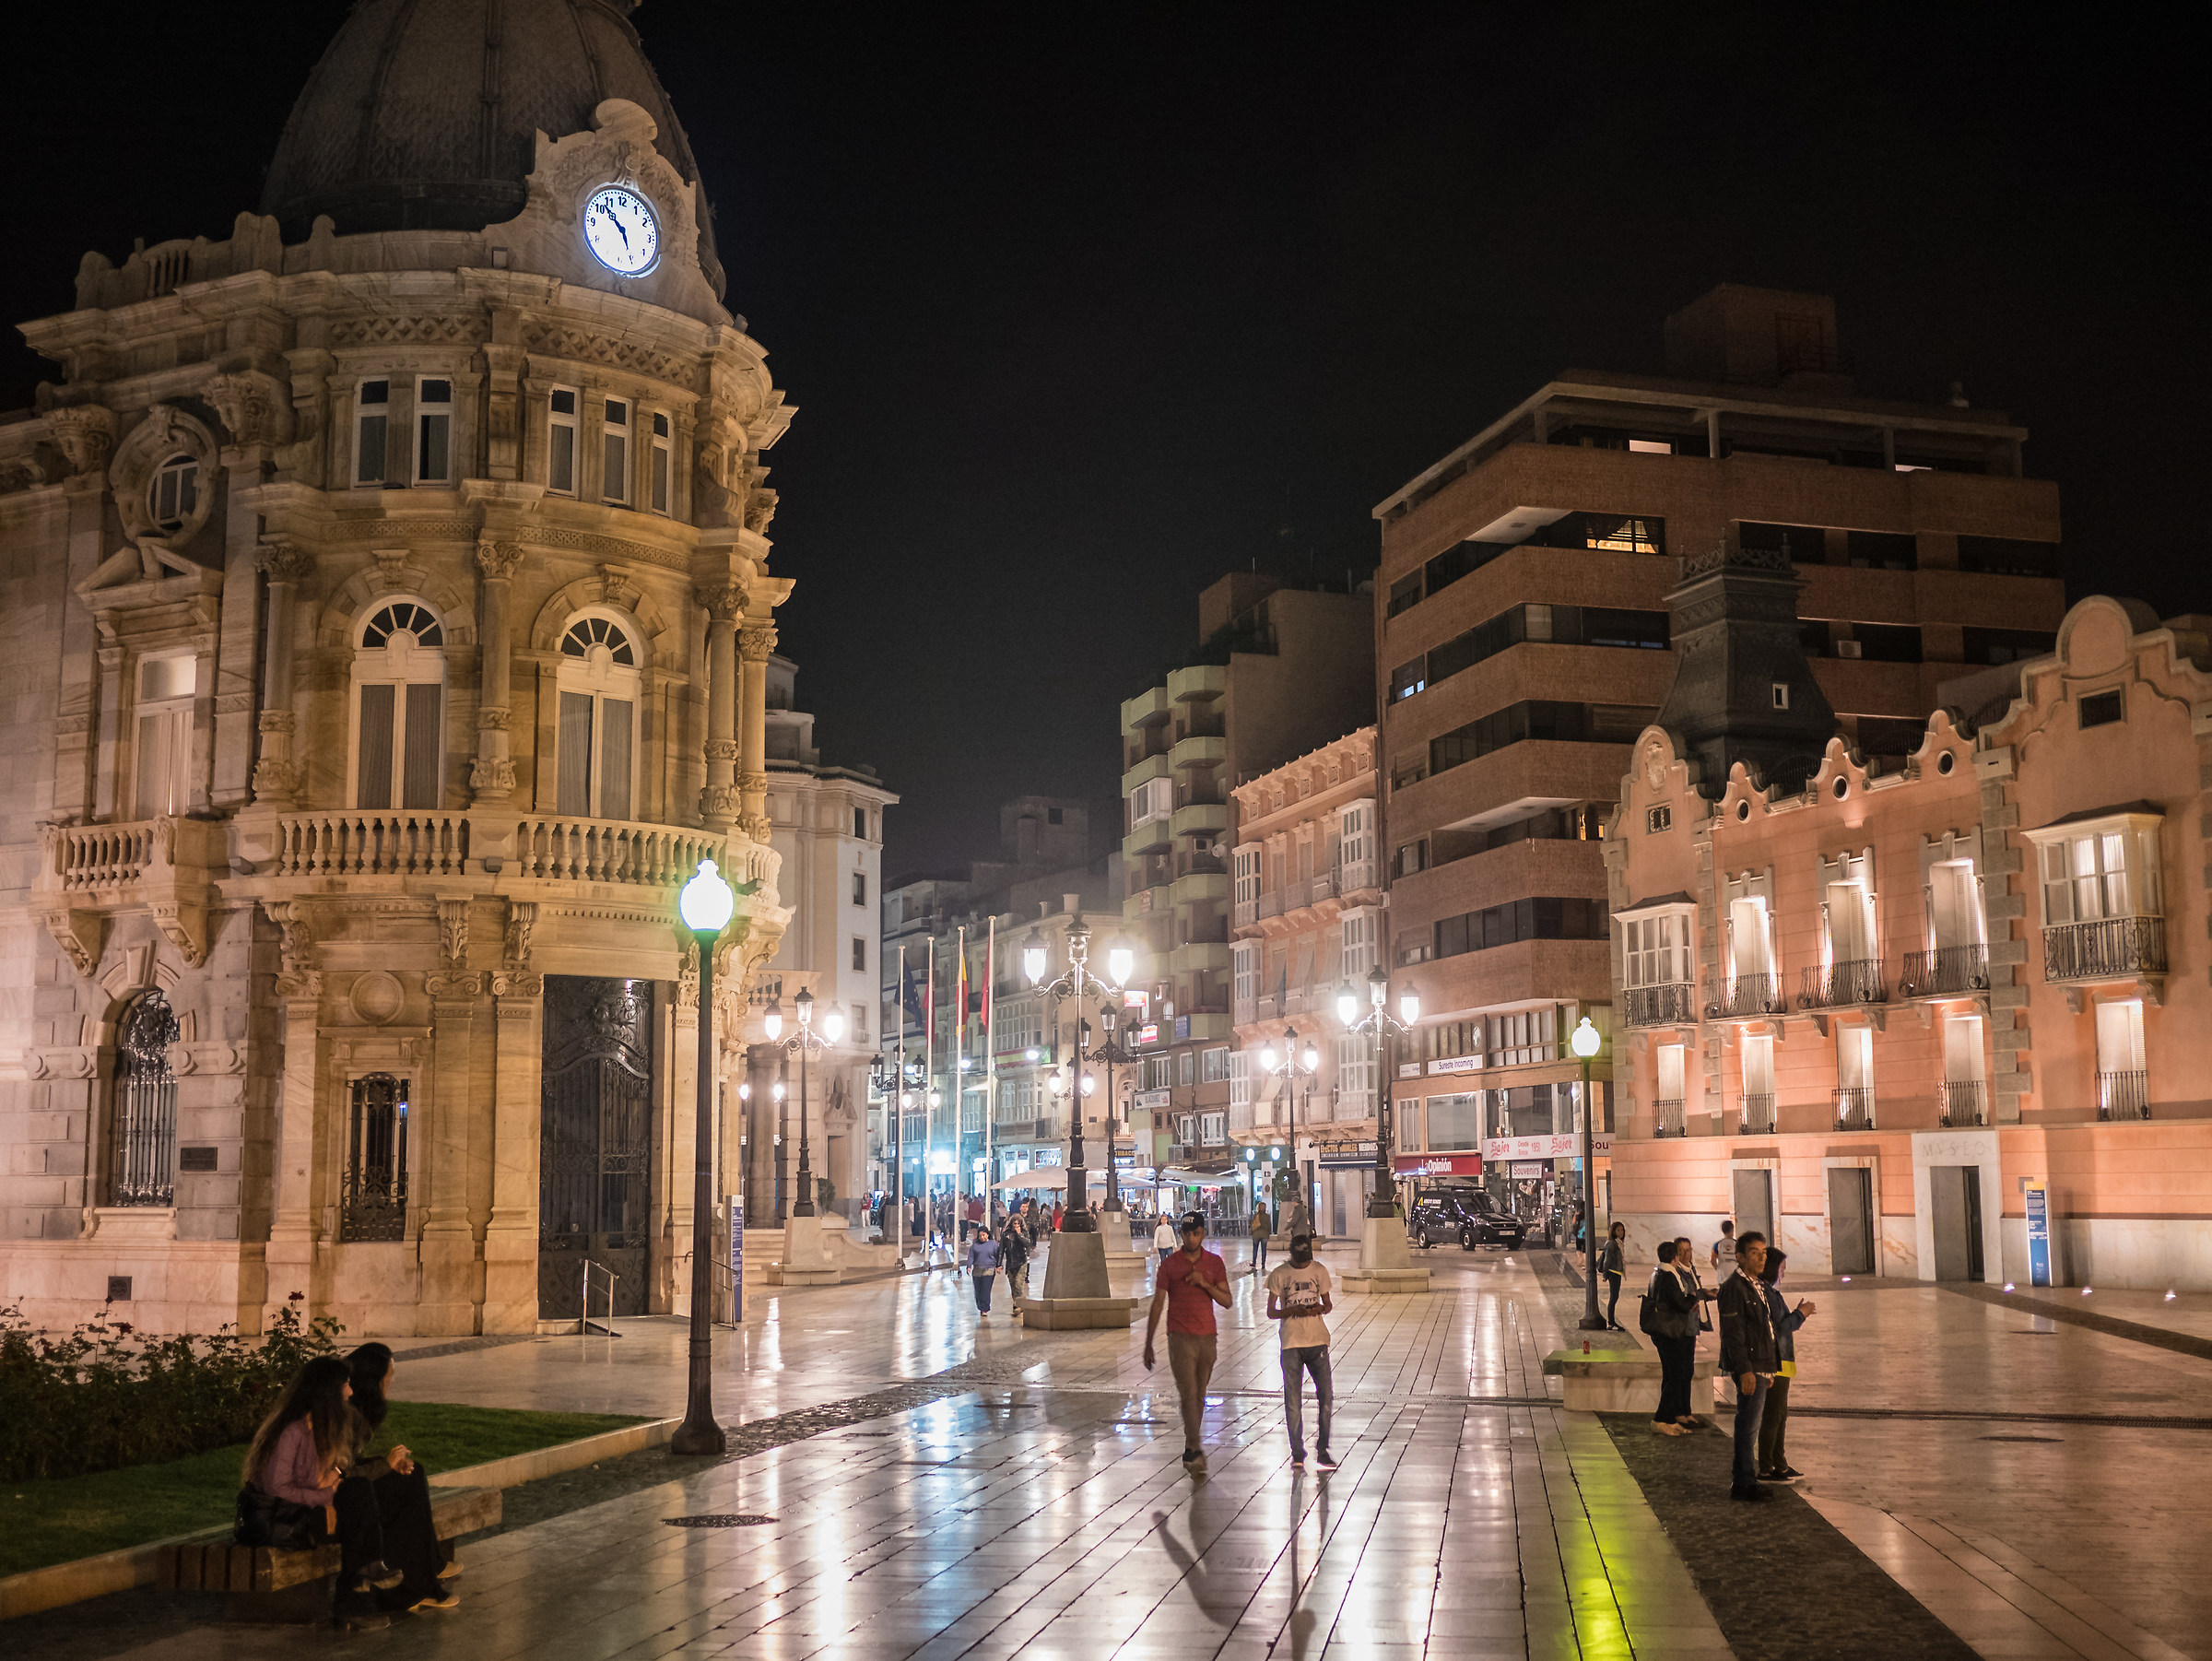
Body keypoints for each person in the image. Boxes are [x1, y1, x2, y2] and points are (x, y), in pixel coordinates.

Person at [238, 1356, 400, 1628]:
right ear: (328, 1392)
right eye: (345, 1385)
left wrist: (334, 1481)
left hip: (308, 1512)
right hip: (283, 1522)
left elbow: (333, 1474)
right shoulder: (292, 1431)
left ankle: (365, 1582)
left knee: (362, 1503)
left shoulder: (321, 1427)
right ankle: (359, 1590)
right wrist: (324, 1496)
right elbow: (276, 1489)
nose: (350, 1392)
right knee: (358, 1511)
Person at [344, 1344, 459, 1610]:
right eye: (388, 1376)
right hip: (333, 1496)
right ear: (372, 1379)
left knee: (411, 1474)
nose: (391, 1382)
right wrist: (385, 1465)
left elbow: (348, 1465)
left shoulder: (357, 1410)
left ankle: (425, 1573)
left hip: (345, 1487)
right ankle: (414, 1585)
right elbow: (338, 1474)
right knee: (403, 1490)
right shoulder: (343, 1414)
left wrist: (389, 1466)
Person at [1142, 1211, 1232, 1472]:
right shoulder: (1170, 1265)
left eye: (1195, 1233)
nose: (1191, 1238)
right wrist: (1148, 1343)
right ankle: (1194, 1447)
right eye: (1186, 1234)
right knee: (1188, 1393)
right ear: (1181, 1235)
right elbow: (1158, 1303)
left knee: (1199, 1395)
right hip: (1180, 1337)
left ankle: (1191, 1444)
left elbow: (1227, 1301)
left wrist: (1205, 1284)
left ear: (1203, 1234)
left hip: (1207, 1337)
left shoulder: (1214, 1263)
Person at [1716, 1230, 1779, 1501]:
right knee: (1748, 1425)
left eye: (1764, 1252)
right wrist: (1746, 1370)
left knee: (1750, 1423)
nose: (1762, 1258)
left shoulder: (1757, 1285)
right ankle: (1743, 1482)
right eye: (1755, 1253)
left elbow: (1765, 1329)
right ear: (1740, 1257)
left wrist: (1769, 1367)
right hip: (1749, 1366)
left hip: (1760, 1364)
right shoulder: (1735, 1287)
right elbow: (1733, 1332)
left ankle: (1745, 1478)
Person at [1265, 1232, 1335, 1469]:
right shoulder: (1279, 1274)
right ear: (1292, 1255)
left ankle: (1323, 1449)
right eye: (1300, 1260)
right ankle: (1297, 1451)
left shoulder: (1319, 1271)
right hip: (1291, 1343)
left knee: (1326, 1396)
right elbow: (1271, 1312)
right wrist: (1291, 1311)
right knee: (1293, 1400)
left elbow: (1328, 1304)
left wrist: (1318, 1308)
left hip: (1317, 1340)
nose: (1303, 1265)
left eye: (1306, 1261)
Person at [1757, 1249, 1814, 1482]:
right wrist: (1801, 1314)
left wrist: (1796, 1314)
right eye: (1782, 1268)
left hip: (1782, 1360)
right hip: (1775, 1360)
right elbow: (1780, 1328)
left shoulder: (1771, 1293)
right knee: (1774, 1415)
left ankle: (1779, 1464)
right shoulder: (1767, 1294)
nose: (1784, 1273)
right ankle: (1766, 1467)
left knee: (1780, 1415)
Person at [1642, 1241, 1698, 1435]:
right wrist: (1693, 1297)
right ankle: (1661, 1418)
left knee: (1670, 1374)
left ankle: (1669, 1417)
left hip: (1661, 1331)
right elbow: (1681, 1304)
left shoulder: (1657, 1273)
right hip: (1670, 1332)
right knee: (1676, 1375)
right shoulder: (1668, 1276)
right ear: (1675, 1257)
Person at [967, 1224, 1002, 1315]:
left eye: (984, 1235)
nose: (982, 1237)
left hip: (989, 1270)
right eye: (980, 1236)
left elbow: (998, 1256)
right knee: (978, 1291)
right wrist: (969, 1266)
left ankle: (984, 1309)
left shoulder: (993, 1244)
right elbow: (971, 1256)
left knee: (985, 1290)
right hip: (977, 1271)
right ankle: (980, 1306)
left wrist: (999, 1266)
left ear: (988, 1234)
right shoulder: (975, 1245)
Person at [1598, 1221, 1627, 1331]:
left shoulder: (1618, 1243)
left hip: (1617, 1272)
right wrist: (1605, 1274)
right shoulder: (1612, 1244)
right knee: (1614, 1297)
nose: (1620, 1232)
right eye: (1618, 1230)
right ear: (1613, 1231)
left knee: (1615, 1296)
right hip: (1612, 1272)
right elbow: (1607, 1260)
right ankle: (1611, 1322)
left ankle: (1611, 1321)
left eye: (1622, 1230)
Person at [1000, 1207, 1031, 1302]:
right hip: (1010, 1263)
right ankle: (1016, 1304)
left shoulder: (1024, 1233)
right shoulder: (1006, 1234)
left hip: (1021, 1262)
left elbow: (1027, 1244)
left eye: (1018, 1224)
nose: (1016, 1226)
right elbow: (1001, 1249)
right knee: (1013, 1286)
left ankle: (1019, 1305)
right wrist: (998, 1264)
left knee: (1018, 1285)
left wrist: (1019, 1234)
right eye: (1015, 1224)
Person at [1250, 1206, 1273, 1276]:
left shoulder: (1256, 1215)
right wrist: (1269, 1233)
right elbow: (1269, 1225)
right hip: (1264, 1235)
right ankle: (1263, 1264)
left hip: (1256, 1234)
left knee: (1255, 1249)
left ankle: (1254, 1262)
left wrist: (1252, 1233)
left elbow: (1252, 1224)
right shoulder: (1267, 1216)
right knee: (1264, 1250)